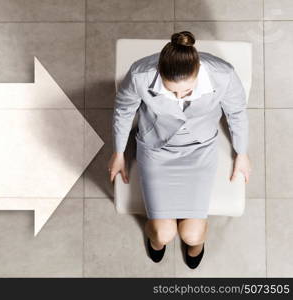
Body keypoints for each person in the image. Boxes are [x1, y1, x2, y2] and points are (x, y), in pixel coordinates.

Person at [107, 31, 252, 269]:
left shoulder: (223, 74)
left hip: (200, 150)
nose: (179, 98)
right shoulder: (140, 75)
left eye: (186, 91)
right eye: (171, 91)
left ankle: (196, 246)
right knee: (162, 234)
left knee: (192, 235)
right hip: (156, 149)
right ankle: (156, 241)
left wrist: (242, 153)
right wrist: (118, 153)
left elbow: (236, 113)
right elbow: (123, 111)